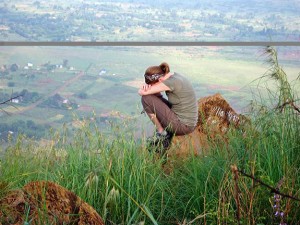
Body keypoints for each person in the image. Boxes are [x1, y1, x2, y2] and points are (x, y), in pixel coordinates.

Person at [138, 62, 198, 152]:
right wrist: (149, 86)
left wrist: (143, 88)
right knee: (152, 95)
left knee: (146, 98)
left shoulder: (171, 82)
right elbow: (155, 94)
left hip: (183, 126)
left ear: (159, 80)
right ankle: (163, 132)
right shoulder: (174, 76)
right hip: (185, 120)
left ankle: (162, 133)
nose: (152, 86)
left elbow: (142, 92)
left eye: (153, 84)